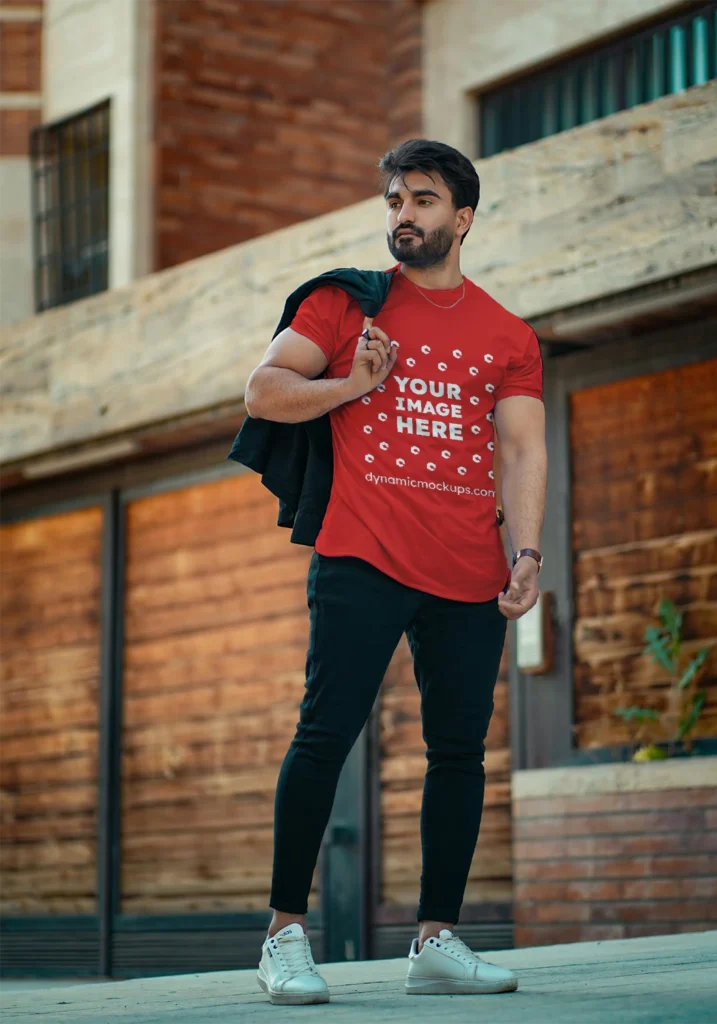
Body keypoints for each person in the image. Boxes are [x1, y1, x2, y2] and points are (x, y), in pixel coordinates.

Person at [246, 139, 547, 1005]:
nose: (401, 214)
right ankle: (284, 937)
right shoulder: (348, 305)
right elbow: (262, 391)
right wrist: (350, 385)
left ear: (462, 217)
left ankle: (435, 941)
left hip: (465, 565)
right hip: (362, 552)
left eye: (421, 199)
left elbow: (523, 447)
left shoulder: (507, 335)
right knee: (324, 735)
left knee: (458, 753)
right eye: (392, 200)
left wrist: (524, 553)